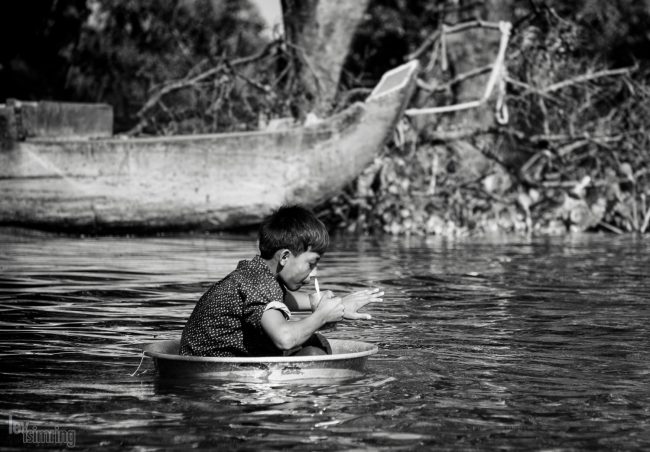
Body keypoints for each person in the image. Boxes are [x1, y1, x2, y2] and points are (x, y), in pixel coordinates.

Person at [179, 205, 383, 357]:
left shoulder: (256, 274)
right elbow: (284, 338)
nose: (314, 274)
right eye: (311, 263)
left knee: (312, 340)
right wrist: (321, 316)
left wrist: (329, 304)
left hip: (206, 365)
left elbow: (281, 299)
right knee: (313, 352)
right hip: (210, 375)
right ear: (285, 257)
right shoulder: (259, 283)